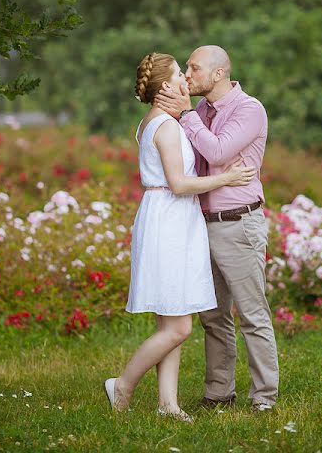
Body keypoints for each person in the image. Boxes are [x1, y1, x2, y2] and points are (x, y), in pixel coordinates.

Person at [103, 52, 256, 422]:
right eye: (179, 75)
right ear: (166, 87)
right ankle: (122, 384)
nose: (187, 79)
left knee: (170, 318)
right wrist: (226, 178)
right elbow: (179, 183)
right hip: (169, 221)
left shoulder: (155, 121)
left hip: (171, 219)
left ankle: (167, 403)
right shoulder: (168, 127)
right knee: (180, 326)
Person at [154, 45, 279, 412]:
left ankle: (265, 398)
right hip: (200, 224)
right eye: (186, 68)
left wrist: (185, 115)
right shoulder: (202, 110)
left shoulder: (249, 109)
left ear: (219, 73)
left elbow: (218, 152)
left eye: (193, 68)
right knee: (213, 317)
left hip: (239, 223)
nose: (187, 75)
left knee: (252, 315)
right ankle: (219, 392)